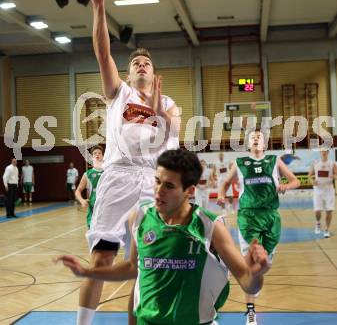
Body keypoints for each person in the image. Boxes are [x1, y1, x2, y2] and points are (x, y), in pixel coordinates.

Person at [57, 148, 270, 325]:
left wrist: (257, 274)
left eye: (169, 186)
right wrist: (88, 271)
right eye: (157, 181)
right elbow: (133, 268)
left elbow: (248, 283)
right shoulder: (139, 217)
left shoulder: (210, 225)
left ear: (189, 190)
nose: (158, 192)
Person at [76, 0, 180, 325]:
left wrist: (161, 116)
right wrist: (99, 6)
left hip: (151, 183)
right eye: (135, 62)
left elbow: (172, 150)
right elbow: (102, 51)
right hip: (117, 178)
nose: (140, 64)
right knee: (101, 261)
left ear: (154, 73)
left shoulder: (169, 105)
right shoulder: (118, 93)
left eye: (146, 63)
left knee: (145, 266)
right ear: (129, 72)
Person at [218, 130, 300, 325]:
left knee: (264, 265)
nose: (256, 139)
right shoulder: (239, 163)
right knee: (252, 265)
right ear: (248, 143)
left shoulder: (274, 160)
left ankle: (251, 281)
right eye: (252, 137)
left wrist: (285, 187)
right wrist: (221, 195)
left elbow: (295, 180)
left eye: (259, 137)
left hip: (271, 217)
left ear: (265, 143)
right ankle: (250, 311)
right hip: (248, 217)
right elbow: (226, 183)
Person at [308, 149, 337, 238]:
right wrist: (312, 181)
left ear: (328, 152)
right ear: (320, 152)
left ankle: (327, 229)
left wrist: (334, 176)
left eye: (325, 151)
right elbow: (309, 175)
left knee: (329, 210)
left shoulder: (332, 163)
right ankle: (318, 223)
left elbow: (336, 175)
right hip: (318, 190)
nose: (324, 152)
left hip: (329, 190)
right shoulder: (315, 162)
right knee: (317, 211)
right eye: (322, 151)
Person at [75, 146, 104, 228]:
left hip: (106, 209)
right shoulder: (87, 174)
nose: (97, 155)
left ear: (103, 156)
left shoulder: (108, 172)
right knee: (93, 236)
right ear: (92, 157)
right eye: (95, 153)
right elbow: (78, 191)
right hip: (93, 209)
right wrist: (82, 201)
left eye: (99, 153)